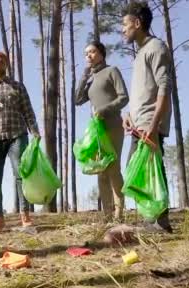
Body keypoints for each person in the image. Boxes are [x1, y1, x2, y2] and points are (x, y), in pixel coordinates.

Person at [121, 1, 173, 233]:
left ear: (138, 23)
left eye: (125, 24)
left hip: (150, 124)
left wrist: (153, 125)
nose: (123, 29)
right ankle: (151, 218)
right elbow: (144, 90)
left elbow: (164, 87)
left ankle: (161, 223)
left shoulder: (156, 48)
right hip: (137, 124)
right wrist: (128, 115)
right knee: (137, 170)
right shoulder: (141, 52)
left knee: (153, 171)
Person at [0, 51, 41, 231]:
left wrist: (35, 131)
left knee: (21, 174)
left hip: (17, 136)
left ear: (6, 65)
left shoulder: (18, 87)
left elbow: (28, 110)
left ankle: (25, 215)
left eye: (1, 62)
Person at [75, 41, 129, 222]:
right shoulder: (90, 77)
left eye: (92, 52)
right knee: (101, 171)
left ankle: (119, 215)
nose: (88, 56)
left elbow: (124, 97)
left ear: (101, 53)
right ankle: (106, 216)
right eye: (86, 53)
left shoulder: (111, 71)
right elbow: (77, 100)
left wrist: (105, 109)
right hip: (97, 129)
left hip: (113, 124)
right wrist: (84, 77)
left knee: (113, 168)